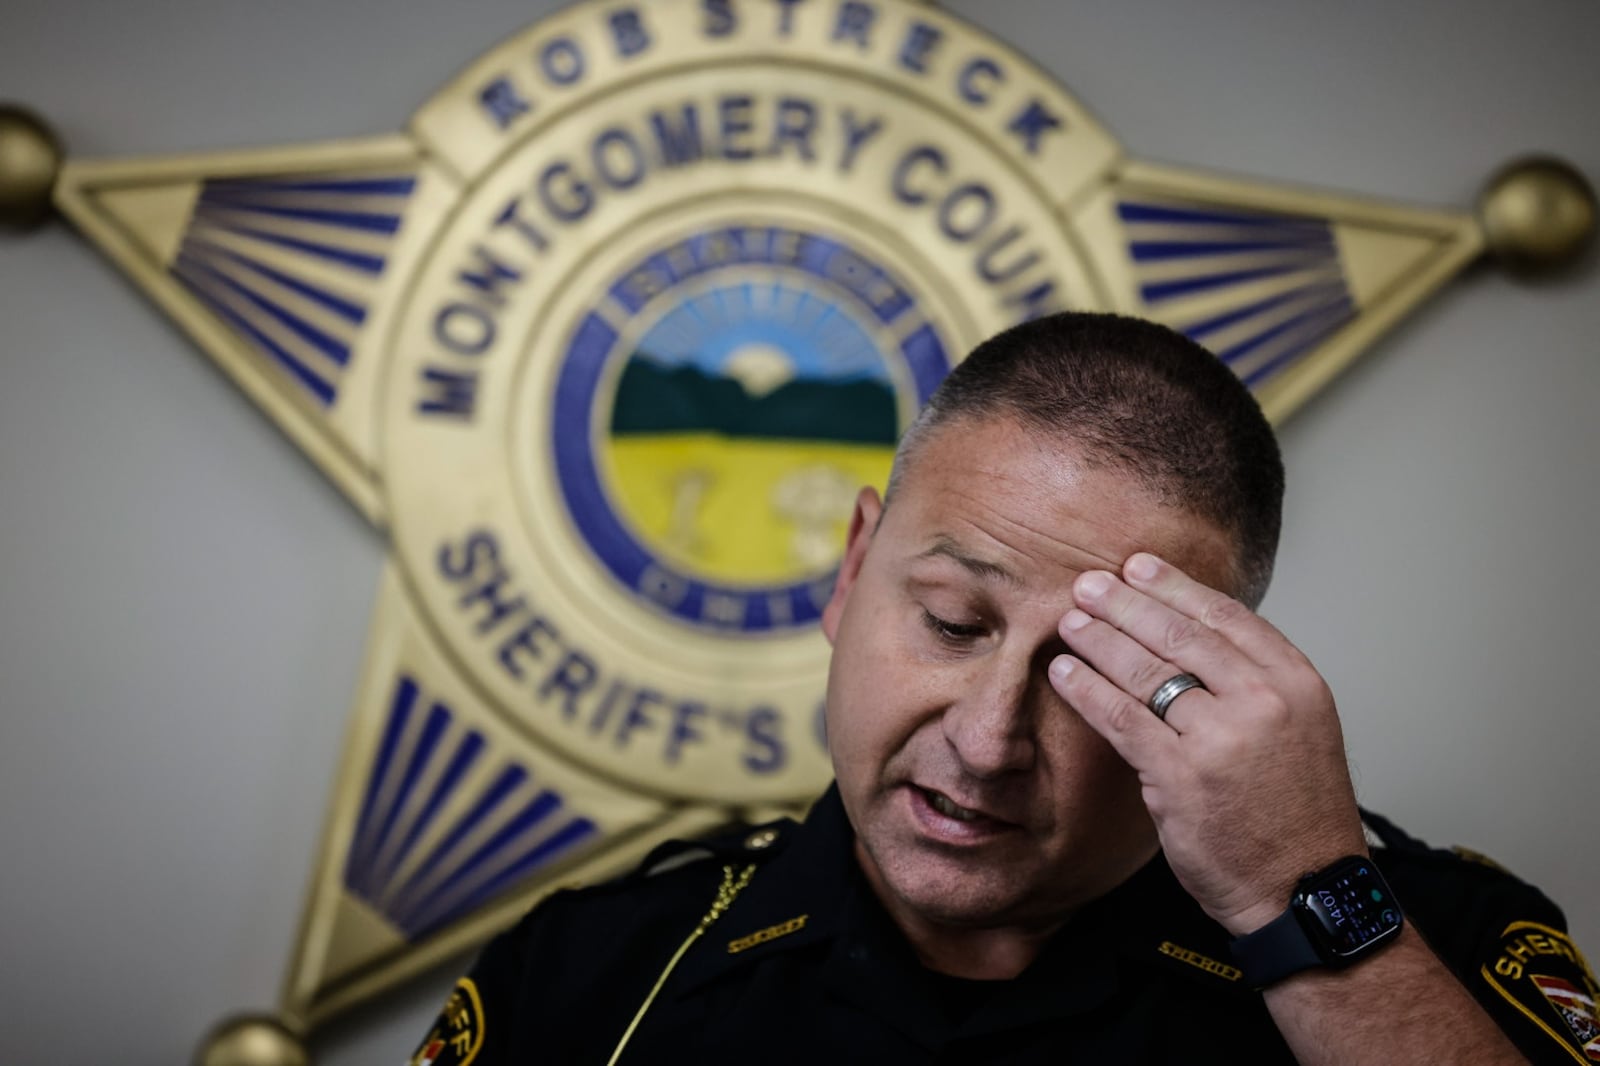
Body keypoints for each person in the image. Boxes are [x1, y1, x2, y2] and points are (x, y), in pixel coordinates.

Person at [410, 312, 1594, 1065]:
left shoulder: (1438, 953)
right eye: (952, 622)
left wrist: (1313, 909)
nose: (987, 742)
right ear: (853, 569)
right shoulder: (587, 980)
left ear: (1215, 675)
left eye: (1092, 669)